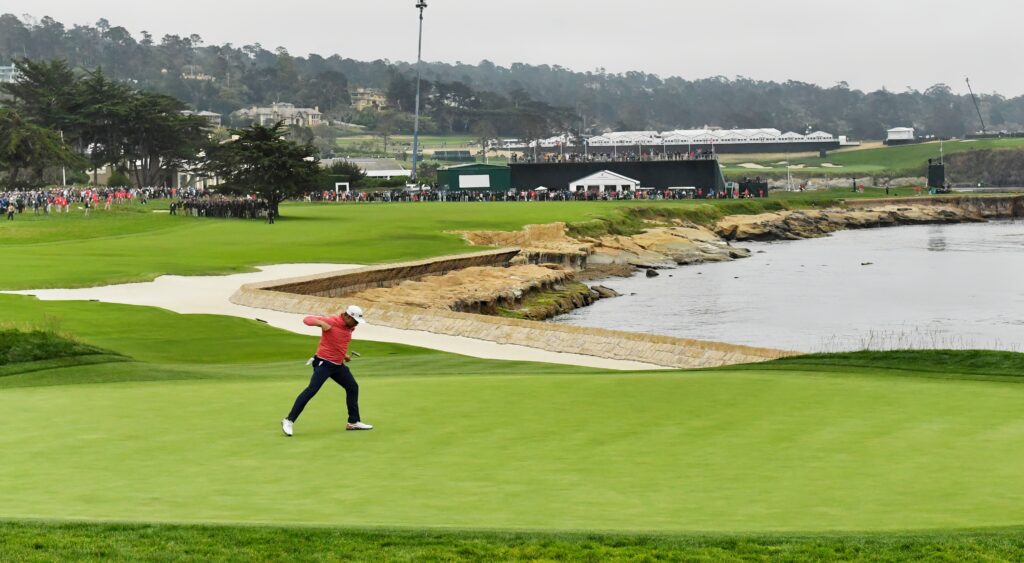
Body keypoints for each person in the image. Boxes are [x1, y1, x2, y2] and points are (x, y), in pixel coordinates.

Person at [282, 305, 372, 436]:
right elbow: (307, 319)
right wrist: (321, 323)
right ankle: (289, 420)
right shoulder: (332, 321)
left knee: (352, 387)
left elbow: (337, 342)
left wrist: (344, 355)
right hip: (323, 363)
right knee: (311, 390)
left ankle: (353, 422)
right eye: (355, 321)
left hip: (337, 365)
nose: (356, 324)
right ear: (347, 316)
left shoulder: (349, 327)